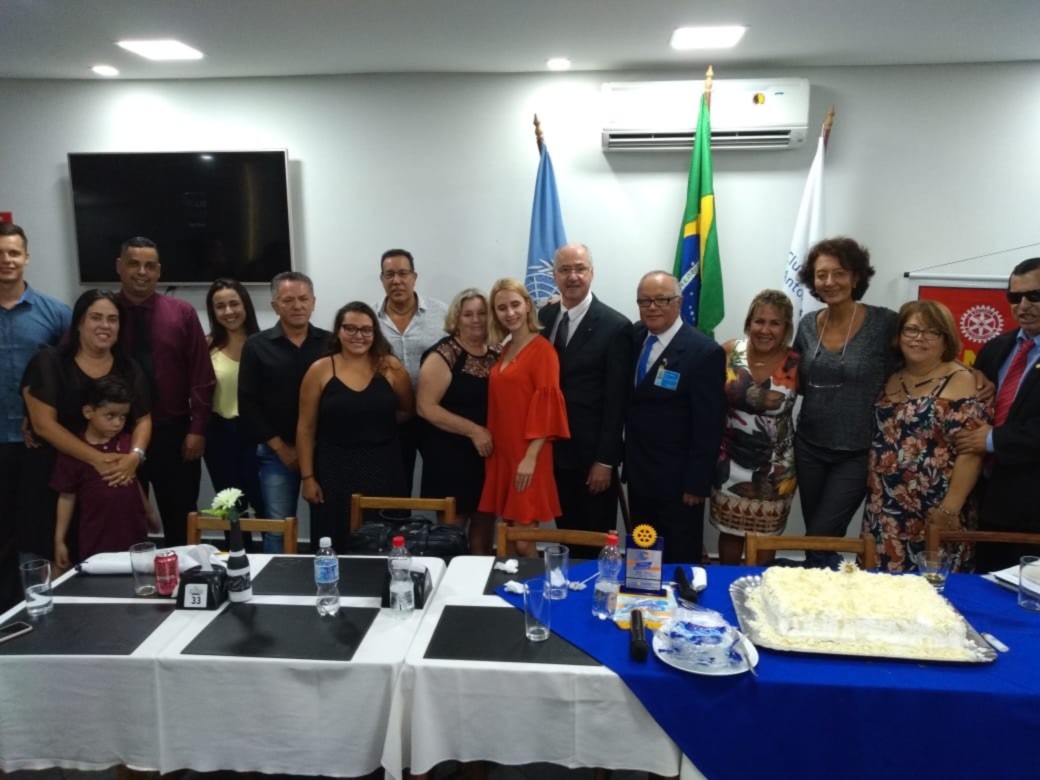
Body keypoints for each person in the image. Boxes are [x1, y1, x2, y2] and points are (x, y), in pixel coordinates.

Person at [21, 289, 151, 564]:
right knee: (60, 558)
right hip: (58, 479)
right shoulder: (50, 363)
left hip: (112, 484)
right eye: (96, 317)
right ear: (79, 322)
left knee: (119, 559)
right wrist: (97, 459)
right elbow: (43, 425)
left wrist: (134, 456)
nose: (105, 325)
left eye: (112, 319)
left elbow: (143, 418)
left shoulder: (129, 367)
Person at [792, 238, 900, 562]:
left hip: (856, 451)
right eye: (821, 274)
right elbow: (792, 379)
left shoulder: (884, 323)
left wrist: (970, 376)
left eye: (839, 273)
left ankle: (815, 587)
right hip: (809, 446)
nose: (830, 282)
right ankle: (829, 585)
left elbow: (920, 359)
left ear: (856, 277)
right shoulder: (807, 325)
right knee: (819, 536)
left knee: (820, 537)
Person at [864, 301, 988, 572]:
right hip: (884, 507)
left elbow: (971, 452)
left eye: (932, 332)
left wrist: (949, 509)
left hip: (936, 510)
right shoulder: (889, 376)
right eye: (911, 330)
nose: (919, 338)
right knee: (880, 588)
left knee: (935, 586)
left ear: (946, 339)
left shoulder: (963, 381)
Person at [115, 237, 215, 548]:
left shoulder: (181, 313)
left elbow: (202, 375)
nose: (141, 272)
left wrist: (198, 429)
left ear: (159, 271)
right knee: (123, 517)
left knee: (181, 517)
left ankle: (184, 575)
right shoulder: (103, 312)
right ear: (119, 267)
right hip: (117, 434)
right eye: (133, 264)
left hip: (175, 433)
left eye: (149, 266)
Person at [625, 271, 727, 564]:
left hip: (679, 483)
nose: (652, 307)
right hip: (640, 473)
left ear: (679, 302)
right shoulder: (634, 337)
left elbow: (709, 425)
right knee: (642, 556)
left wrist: (696, 483)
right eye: (644, 301)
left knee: (678, 558)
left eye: (661, 300)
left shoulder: (703, 352)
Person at [297, 302, 414, 550]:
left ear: (375, 333)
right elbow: (306, 429)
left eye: (366, 330)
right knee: (335, 539)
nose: (358, 335)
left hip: (385, 468)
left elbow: (406, 410)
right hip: (333, 470)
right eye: (350, 328)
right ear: (338, 331)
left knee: (386, 540)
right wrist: (308, 478)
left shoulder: (391, 367)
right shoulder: (319, 370)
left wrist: (370, 422)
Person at [538, 244, 631, 552]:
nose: (572, 276)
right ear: (554, 275)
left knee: (594, 542)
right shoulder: (544, 316)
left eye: (580, 269)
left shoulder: (615, 326)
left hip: (592, 459)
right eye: (564, 270)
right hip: (554, 452)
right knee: (566, 536)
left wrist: (605, 460)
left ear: (592, 273)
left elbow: (617, 402)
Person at [0, 222, 71, 609]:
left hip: (39, 443)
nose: (6, 260)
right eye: (0, 254)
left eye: (13, 252)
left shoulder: (56, 313)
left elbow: (70, 377)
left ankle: (38, 606)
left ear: (26, 257)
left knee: (36, 531)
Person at [955, 257, 1040, 571]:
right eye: (1015, 297)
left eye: (1035, 295)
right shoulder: (996, 348)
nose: (1024, 305)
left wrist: (993, 439)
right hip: (985, 501)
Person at [239, 271, 330, 553]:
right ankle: (276, 579)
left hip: (325, 452)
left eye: (303, 299)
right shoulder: (256, 346)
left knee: (328, 526)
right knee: (278, 527)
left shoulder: (330, 343)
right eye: (288, 300)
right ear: (275, 306)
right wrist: (281, 448)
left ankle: (325, 574)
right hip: (277, 453)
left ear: (313, 303)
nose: (297, 306)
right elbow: (248, 404)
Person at [478, 278, 569, 557]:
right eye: (501, 308)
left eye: (515, 304)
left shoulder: (543, 350)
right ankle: (510, 581)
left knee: (523, 538)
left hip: (528, 454)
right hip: (503, 452)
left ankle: (535, 584)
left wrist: (530, 457)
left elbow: (547, 409)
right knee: (507, 531)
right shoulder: (506, 348)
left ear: (528, 306)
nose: (510, 313)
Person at [710, 290, 800, 565]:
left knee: (765, 539)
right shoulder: (728, 351)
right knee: (729, 533)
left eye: (775, 323)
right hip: (729, 461)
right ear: (749, 322)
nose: (765, 329)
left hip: (774, 468)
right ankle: (727, 585)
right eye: (759, 321)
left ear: (786, 328)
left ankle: (760, 589)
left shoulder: (797, 362)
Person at [416, 289, 500, 554]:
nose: (476, 320)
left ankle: (479, 581)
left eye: (482, 313)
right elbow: (425, 407)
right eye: (468, 314)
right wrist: (474, 431)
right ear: (456, 318)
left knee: (484, 532)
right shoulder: (443, 354)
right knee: (451, 536)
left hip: (486, 456)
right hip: (450, 458)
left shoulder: (496, 352)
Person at [52, 375, 158, 569]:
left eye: (123, 417)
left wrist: (149, 512)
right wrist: (59, 540)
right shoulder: (75, 451)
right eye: (110, 416)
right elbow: (66, 497)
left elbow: (132, 480)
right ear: (88, 412)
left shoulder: (127, 443)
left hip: (133, 529)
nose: (117, 423)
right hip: (96, 535)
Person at [373, 249, 449, 492]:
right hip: (392, 418)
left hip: (435, 416)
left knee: (441, 485)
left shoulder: (443, 314)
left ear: (414, 277)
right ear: (381, 279)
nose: (397, 281)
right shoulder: (369, 319)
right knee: (395, 487)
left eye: (403, 273)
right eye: (389, 274)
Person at [203, 279, 266, 545]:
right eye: (220, 306)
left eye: (234, 304)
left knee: (265, 505)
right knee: (231, 507)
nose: (228, 311)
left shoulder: (265, 343)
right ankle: (238, 557)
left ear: (245, 305)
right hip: (220, 436)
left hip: (259, 436)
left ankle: (276, 559)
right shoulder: (206, 346)